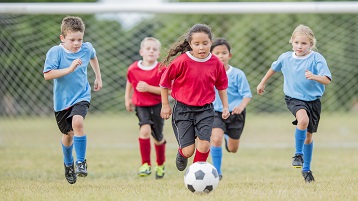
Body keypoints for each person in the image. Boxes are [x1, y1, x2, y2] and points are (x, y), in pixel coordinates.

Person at [257, 24, 332, 183]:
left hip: (313, 101)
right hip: (294, 98)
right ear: (291, 41)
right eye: (297, 42)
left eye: (304, 43)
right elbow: (273, 68)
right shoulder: (285, 57)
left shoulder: (316, 58)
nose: (299, 46)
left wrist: (314, 76)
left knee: (309, 137)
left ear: (311, 44)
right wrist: (262, 82)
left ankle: (306, 170)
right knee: (302, 120)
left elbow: (326, 79)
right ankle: (298, 154)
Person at [160, 24, 230, 172]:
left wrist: (225, 106)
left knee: (204, 144)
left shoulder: (216, 63)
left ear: (211, 43)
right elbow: (164, 83)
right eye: (196, 44)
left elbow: (221, 86)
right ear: (190, 44)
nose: (201, 48)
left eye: (205, 43)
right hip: (183, 109)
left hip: (205, 109)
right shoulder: (181, 61)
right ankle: (181, 153)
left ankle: (196, 173)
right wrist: (165, 105)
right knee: (188, 151)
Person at [43, 16, 102, 184]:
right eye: (72, 40)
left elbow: (93, 56)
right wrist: (69, 69)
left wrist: (98, 77)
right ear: (63, 38)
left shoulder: (86, 48)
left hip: (82, 95)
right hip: (62, 102)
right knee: (67, 135)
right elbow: (47, 75)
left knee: (78, 123)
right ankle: (68, 164)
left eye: (80, 39)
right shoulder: (55, 52)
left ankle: (81, 162)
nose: (77, 43)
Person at [209, 38, 252, 180]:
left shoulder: (238, 74)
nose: (220, 56)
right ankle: (217, 172)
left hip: (235, 113)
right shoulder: (209, 73)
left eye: (224, 53)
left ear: (230, 55)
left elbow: (247, 95)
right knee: (215, 139)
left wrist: (240, 106)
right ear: (211, 55)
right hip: (216, 112)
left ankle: (228, 137)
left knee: (233, 149)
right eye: (217, 53)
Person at [125, 37, 167, 179]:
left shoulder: (162, 69)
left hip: (158, 106)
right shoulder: (133, 68)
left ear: (158, 53)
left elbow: (168, 91)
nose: (151, 51)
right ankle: (145, 165)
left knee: (158, 138)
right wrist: (127, 98)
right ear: (141, 51)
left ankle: (160, 165)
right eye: (148, 49)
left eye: (154, 49)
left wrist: (149, 88)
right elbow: (130, 82)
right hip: (141, 105)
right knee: (145, 130)